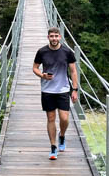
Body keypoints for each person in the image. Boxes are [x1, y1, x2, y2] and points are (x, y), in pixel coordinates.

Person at [32, 27, 79, 159]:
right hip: (47, 90)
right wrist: (42, 75)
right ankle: (53, 147)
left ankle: (62, 135)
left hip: (63, 89)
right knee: (51, 118)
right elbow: (35, 68)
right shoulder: (42, 51)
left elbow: (73, 71)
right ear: (48, 37)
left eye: (56, 36)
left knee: (64, 118)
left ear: (60, 37)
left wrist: (74, 90)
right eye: (51, 36)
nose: (54, 38)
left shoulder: (67, 52)